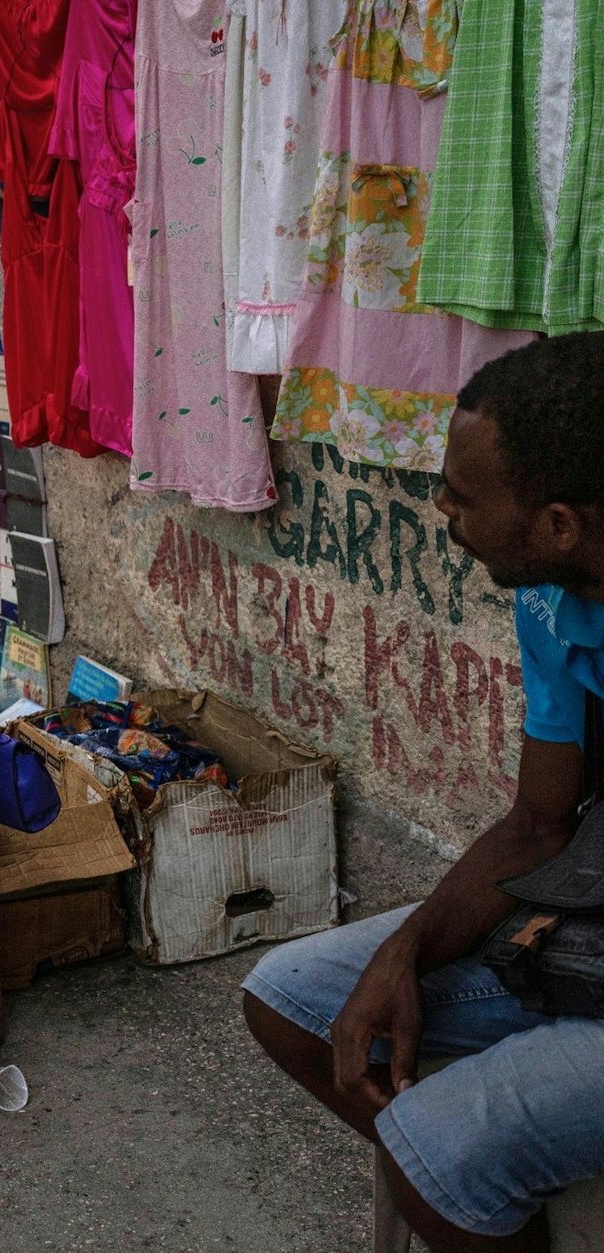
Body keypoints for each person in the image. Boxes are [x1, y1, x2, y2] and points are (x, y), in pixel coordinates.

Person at [242, 333, 604, 1252]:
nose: (440, 507)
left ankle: (462, 1180)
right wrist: (406, 949)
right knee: (293, 1001)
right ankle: (482, 1206)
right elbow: (535, 823)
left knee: (433, 1152)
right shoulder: (552, 600)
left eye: (461, 494)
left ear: (560, 522)